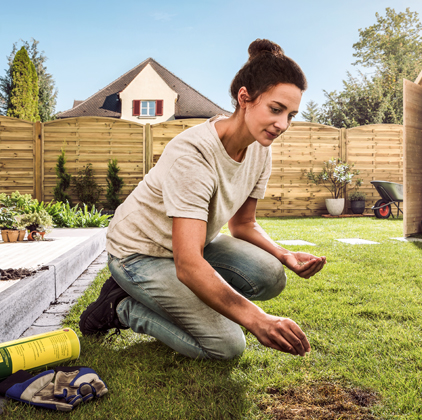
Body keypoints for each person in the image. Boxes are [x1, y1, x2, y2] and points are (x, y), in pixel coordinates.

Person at [79, 39, 326, 360]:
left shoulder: (259, 150)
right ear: (245, 98)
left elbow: (244, 224)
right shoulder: (194, 154)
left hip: (194, 246)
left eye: (291, 115)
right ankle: (121, 307)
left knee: (270, 276)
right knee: (226, 345)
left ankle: (162, 297)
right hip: (140, 253)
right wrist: (258, 320)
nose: (283, 125)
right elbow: (188, 266)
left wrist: (285, 254)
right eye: (276, 110)